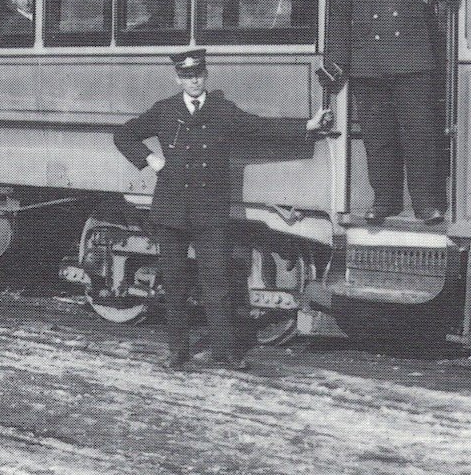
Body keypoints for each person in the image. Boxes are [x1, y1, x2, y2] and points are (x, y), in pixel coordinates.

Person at [114, 49, 332, 370]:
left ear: (206, 75)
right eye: (187, 76)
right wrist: (151, 160)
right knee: (174, 284)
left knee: (216, 284)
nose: (194, 80)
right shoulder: (164, 111)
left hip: (209, 214)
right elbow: (123, 134)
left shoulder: (222, 109)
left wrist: (307, 126)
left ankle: (224, 352)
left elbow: (260, 127)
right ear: (178, 78)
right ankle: (178, 351)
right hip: (171, 212)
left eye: (198, 75)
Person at [323, 0, 459, 225]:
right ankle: (385, 200)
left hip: (411, 64)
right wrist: (335, 63)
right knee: (378, 136)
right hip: (368, 66)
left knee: (419, 135)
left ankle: (426, 204)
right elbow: (340, 18)